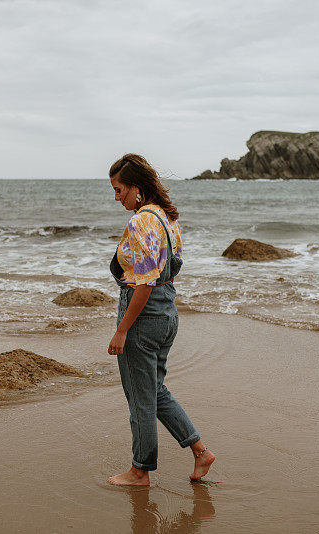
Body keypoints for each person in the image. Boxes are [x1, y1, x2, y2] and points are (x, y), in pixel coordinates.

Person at [107, 153, 215, 486]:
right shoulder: (168, 218)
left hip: (143, 313)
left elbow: (144, 282)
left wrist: (122, 329)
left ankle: (140, 471)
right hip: (168, 311)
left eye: (119, 190)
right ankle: (200, 451)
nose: (117, 198)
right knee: (154, 392)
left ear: (136, 188)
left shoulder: (141, 221)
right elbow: (172, 266)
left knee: (140, 398)